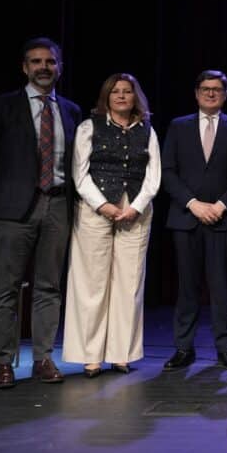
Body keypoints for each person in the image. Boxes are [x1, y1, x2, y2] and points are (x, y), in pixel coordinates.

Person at [0, 38, 83, 388]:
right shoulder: (2, 106)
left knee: (49, 286)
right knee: (6, 287)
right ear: (25, 67)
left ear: (59, 67)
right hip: (12, 209)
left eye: (50, 61)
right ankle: (3, 362)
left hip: (58, 205)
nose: (43, 67)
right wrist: (6, 190)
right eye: (36, 62)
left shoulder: (70, 110)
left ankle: (43, 358)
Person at [62, 73, 160, 376]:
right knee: (92, 282)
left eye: (127, 92)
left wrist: (136, 206)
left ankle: (122, 353)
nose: (121, 96)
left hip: (135, 210)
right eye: (115, 91)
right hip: (95, 210)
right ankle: (91, 355)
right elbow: (80, 173)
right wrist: (102, 204)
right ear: (106, 97)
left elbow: (153, 174)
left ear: (135, 97)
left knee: (129, 284)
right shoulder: (89, 127)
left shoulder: (147, 130)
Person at [161, 70, 227, 371]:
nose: (211, 93)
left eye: (217, 89)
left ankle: (225, 348)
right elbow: (168, 171)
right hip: (187, 218)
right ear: (196, 93)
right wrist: (193, 203)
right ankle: (184, 348)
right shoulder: (178, 126)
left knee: (221, 287)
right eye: (205, 89)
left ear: (226, 94)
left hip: (223, 220)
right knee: (187, 287)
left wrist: (222, 204)